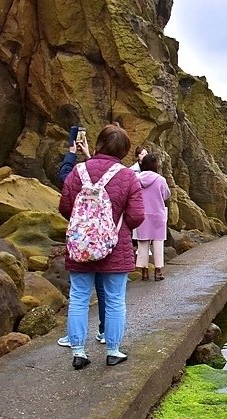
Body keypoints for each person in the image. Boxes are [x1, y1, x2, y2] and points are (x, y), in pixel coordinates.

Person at [59, 123, 145, 370]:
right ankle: (113, 351)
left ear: (98, 144)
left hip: (80, 245)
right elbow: (137, 215)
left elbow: (66, 207)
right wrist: (115, 228)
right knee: (115, 299)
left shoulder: (78, 171)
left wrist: (86, 228)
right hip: (115, 247)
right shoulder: (128, 176)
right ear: (125, 150)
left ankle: (78, 351)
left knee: (78, 298)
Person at [57, 136, 106, 347]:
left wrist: (71, 153)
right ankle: (105, 332)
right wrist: (89, 155)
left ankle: (75, 340)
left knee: (78, 296)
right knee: (106, 292)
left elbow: (64, 177)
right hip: (104, 241)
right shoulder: (117, 174)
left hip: (80, 239)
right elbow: (103, 172)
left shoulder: (75, 175)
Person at [134, 153, 171, 282]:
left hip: (142, 214)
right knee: (158, 242)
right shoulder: (160, 179)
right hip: (157, 214)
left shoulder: (136, 178)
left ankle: (144, 271)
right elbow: (166, 195)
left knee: (143, 242)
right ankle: (158, 271)